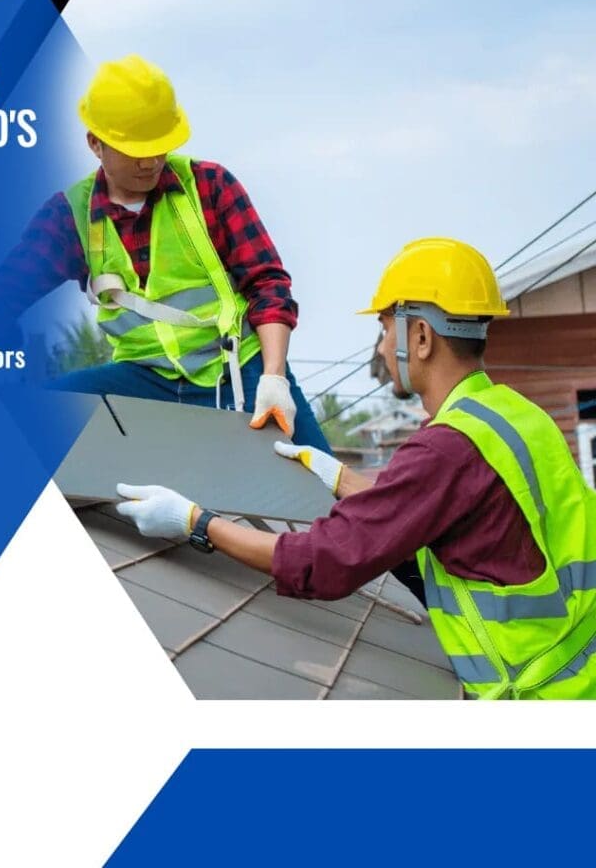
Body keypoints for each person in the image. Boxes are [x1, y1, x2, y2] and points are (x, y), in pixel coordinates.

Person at [115, 237, 596, 699]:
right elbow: (421, 508)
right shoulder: (516, 415)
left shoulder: (447, 448)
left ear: (421, 336)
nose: (383, 348)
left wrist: (196, 522)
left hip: (541, 694)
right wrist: (338, 476)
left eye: (385, 329)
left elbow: (323, 560)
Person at [0, 54, 329, 448]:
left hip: (239, 370)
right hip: (143, 381)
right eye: (137, 150)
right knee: (36, 420)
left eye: (160, 147)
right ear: (95, 143)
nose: (152, 162)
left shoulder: (210, 187)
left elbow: (268, 284)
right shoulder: (69, 217)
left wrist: (273, 376)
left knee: (318, 476)